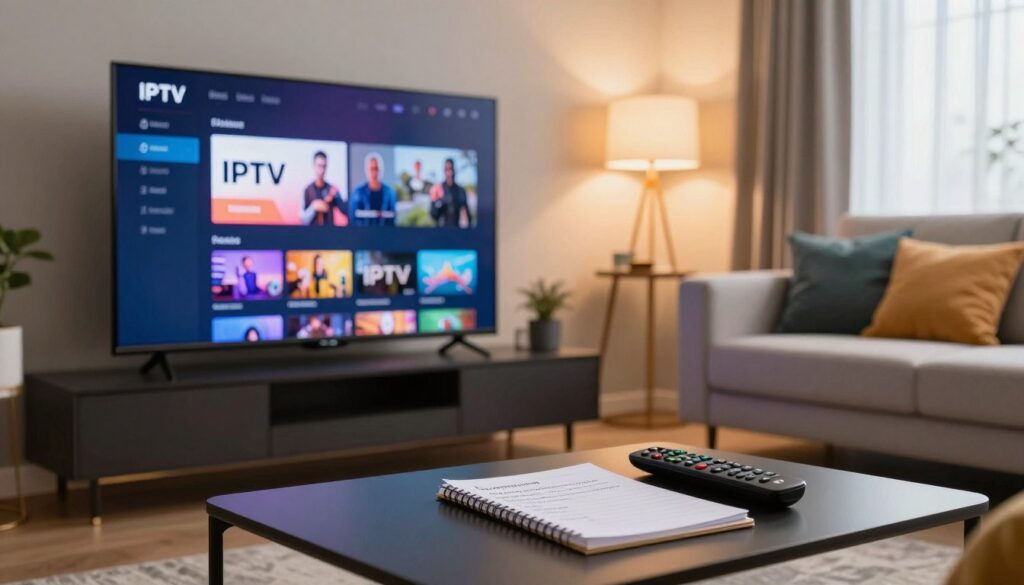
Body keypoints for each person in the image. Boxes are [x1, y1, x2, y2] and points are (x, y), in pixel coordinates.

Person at [301, 151, 347, 226]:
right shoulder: (307, 190)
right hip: (311, 234)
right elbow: (303, 220)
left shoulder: (332, 189)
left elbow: (345, 210)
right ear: (314, 166)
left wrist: (338, 196)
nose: (322, 170)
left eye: (324, 166)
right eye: (319, 166)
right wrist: (313, 207)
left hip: (329, 234)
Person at [349, 153, 397, 226]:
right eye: (371, 169)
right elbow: (352, 219)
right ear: (366, 170)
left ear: (381, 170)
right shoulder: (358, 193)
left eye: (376, 169)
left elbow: (393, 219)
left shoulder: (390, 193)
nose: (374, 172)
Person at [429, 158, 470, 228]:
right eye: (447, 169)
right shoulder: (438, 189)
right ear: (444, 171)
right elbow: (434, 216)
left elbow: (467, 215)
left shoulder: (460, 190)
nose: (450, 173)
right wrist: (435, 200)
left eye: (451, 169)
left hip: (457, 231)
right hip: (442, 232)